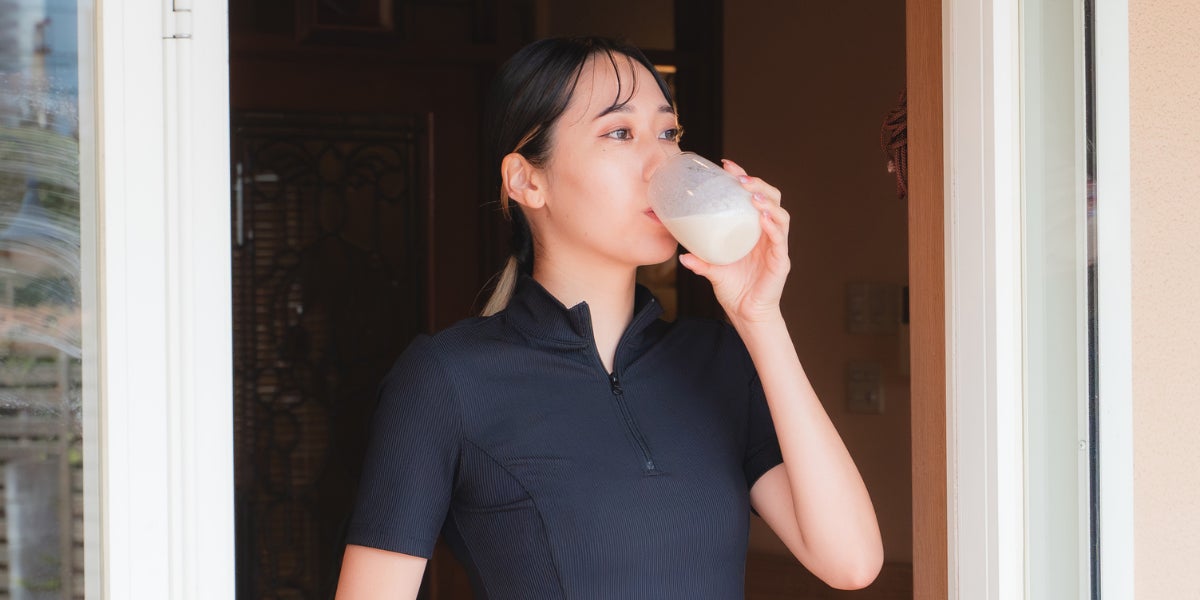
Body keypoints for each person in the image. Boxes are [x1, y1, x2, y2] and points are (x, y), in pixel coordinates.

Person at [335, 36, 883, 599]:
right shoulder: (446, 379)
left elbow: (851, 562)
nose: (662, 162)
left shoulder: (716, 361)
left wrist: (760, 318)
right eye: (619, 133)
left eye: (668, 133)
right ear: (527, 180)